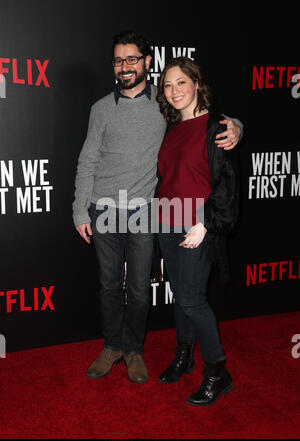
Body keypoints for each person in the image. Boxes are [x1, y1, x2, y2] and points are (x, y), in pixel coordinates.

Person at [72, 31, 242, 385]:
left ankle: (133, 349)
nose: (125, 66)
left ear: (147, 62)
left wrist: (237, 126)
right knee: (107, 285)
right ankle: (112, 346)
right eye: (119, 60)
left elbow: (207, 122)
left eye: (132, 59)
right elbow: (87, 160)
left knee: (138, 287)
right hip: (103, 208)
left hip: (145, 210)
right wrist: (78, 210)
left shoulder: (164, 106)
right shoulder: (102, 108)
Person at [156, 56, 239, 405]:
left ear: (196, 84)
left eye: (181, 82)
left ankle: (218, 373)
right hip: (166, 221)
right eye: (168, 85)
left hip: (197, 226)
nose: (174, 91)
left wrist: (204, 224)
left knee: (192, 299)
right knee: (181, 295)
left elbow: (227, 187)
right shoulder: (172, 127)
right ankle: (184, 354)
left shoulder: (217, 126)